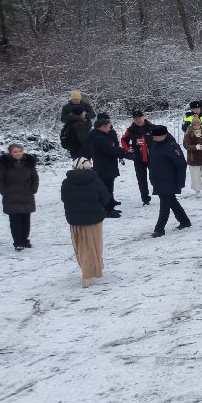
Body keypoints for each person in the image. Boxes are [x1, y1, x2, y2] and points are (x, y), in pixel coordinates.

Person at [61, 157, 111, 287]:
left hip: (75, 221)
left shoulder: (66, 182)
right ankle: (91, 272)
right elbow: (106, 198)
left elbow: (64, 199)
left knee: (81, 246)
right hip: (94, 220)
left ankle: (86, 270)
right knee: (94, 245)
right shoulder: (95, 181)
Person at [147, 125, 191, 237]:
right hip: (158, 179)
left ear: (163, 135)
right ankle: (185, 221)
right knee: (172, 201)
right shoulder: (155, 144)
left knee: (164, 205)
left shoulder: (172, 147)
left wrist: (180, 181)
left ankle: (159, 229)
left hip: (169, 180)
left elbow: (181, 165)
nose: (153, 138)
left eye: (156, 137)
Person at [0, 143, 38, 250]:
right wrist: (4, 192)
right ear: (10, 153)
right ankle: (18, 242)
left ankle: (25, 239)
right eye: (15, 152)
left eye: (20, 151)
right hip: (11, 196)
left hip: (26, 195)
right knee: (15, 221)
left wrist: (33, 189)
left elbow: (35, 178)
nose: (18, 153)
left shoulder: (29, 163)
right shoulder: (5, 164)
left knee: (26, 220)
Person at [86, 114, 130, 213]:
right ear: (102, 127)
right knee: (106, 188)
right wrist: (122, 150)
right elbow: (110, 149)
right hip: (105, 166)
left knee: (108, 187)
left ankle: (110, 206)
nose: (110, 129)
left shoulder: (99, 135)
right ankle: (108, 210)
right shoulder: (99, 138)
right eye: (108, 127)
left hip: (105, 165)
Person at [121, 110, 155, 205]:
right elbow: (123, 140)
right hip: (138, 158)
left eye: (139, 118)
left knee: (155, 177)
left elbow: (161, 137)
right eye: (135, 119)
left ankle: (162, 194)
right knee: (141, 179)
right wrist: (127, 149)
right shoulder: (131, 129)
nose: (138, 120)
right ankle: (145, 199)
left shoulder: (151, 127)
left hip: (152, 157)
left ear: (143, 117)